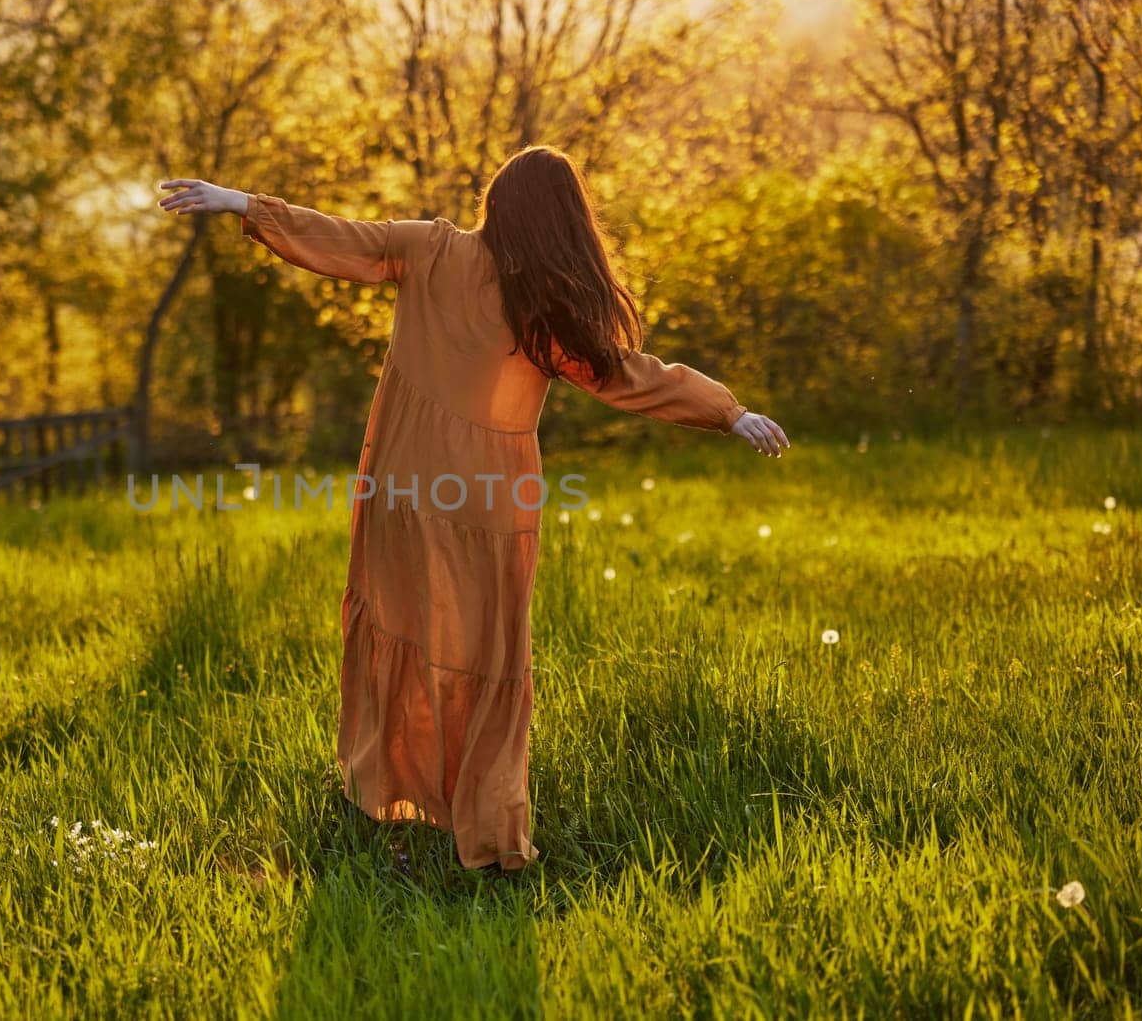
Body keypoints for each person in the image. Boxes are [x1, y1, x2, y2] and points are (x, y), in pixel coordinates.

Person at [156, 144, 790, 871]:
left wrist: (240, 201)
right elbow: (627, 376)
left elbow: (339, 238)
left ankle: (390, 806)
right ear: (560, 224)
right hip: (489, 495)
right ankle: (487, 835)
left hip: (400, 485)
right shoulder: (542, 308)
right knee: (486, 655)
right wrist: (727, 411)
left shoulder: (429, 249)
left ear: (496, 203)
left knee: (400, 634)